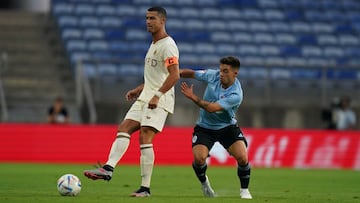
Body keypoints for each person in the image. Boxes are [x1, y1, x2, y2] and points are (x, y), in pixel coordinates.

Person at [83, 6, 180, 198]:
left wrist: (157, 95)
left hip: (160, 99)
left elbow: (174, 75)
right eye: (146, 18)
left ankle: (145, 188)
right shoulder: (153, 44)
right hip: (147, 95)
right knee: (124, 127)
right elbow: (156, 77)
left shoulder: (168, 45)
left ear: (162, 21)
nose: (148, 21)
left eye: (152, 18)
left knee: (144, 136)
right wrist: (140, 89)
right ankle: (108, 169)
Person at [179, 56, 252, 199]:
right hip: (205, 127)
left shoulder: (236, 94)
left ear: (234, 74)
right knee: (199, 159)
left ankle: (244, 190)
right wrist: (176, 72)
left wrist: (192, 96)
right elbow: (192, 73)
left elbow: (212, 108)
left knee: (243, 158)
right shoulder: (213, 76)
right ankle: (205, 184)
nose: (221, 74)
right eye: (220, 70)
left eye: (225, 71)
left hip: (227, 127)